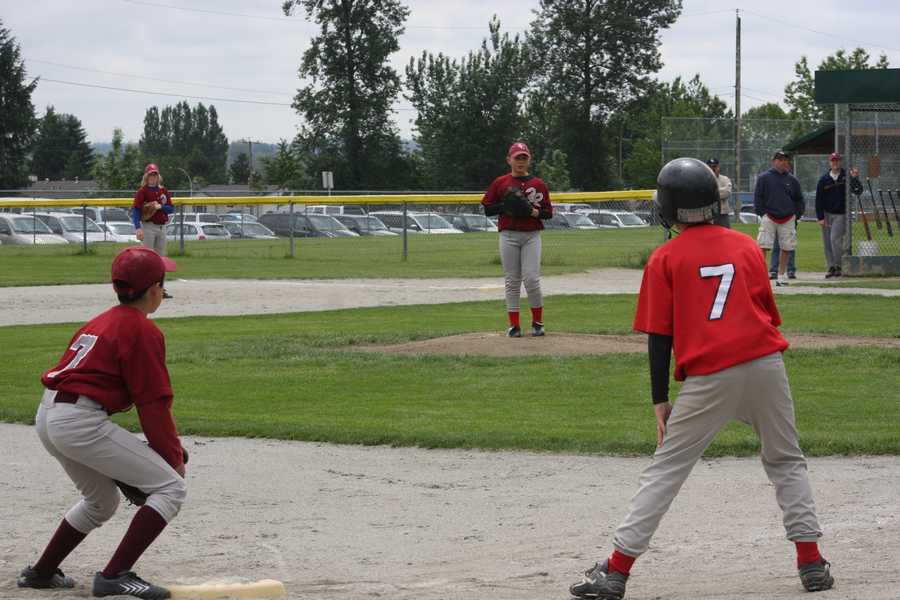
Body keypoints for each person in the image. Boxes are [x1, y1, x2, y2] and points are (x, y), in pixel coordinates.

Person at [568, 157, 833, 600]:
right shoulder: (745, 246)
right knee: (786, 461)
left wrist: (659, 398)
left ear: (670, 207)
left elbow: (659, 337)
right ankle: (811, 562)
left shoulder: (665, 257)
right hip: (765, 364)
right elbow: (767, 313)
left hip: (709, 376)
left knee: (667, 469)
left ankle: (615, 570)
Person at [18, 246, 186, 600]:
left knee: (100, 502)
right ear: (154, 289)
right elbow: (153, 404)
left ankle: (41, 573)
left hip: (49, 414)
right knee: (170, 488)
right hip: (78, 421)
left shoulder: (102, 320)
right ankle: (115, 575)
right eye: (162, 282)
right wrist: (171, 458)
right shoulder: (142, 330)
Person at [481, 142, 553, 337]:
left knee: (531, 279)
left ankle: (538, 323)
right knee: (512, 280)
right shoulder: (500, 182)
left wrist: (531, 211)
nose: (520, 161)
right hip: (508, 235)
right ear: (509, 160)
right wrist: (506, 206)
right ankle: (514, 326)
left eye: (524, 158)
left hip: (531, 235)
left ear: (529, 160)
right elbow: (488, 208)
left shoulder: (538, 184)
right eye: (517, 158)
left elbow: (548, 213)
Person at [754, 150, 804, 287]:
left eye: (785, 160)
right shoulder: (764, 178)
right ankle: (761, 275)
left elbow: (799, 199)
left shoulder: (792, 180)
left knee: (786, 247)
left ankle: (781, 276)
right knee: (763, 246)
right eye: (780, 159)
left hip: (788, 217)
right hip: (769, 216)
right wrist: (762, 213)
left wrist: (796, 215)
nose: (783, 162)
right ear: (774, 161)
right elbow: (758, 197)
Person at [132, 163, 175, 298]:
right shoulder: (142, 191)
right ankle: (144, 289)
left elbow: (171, 209)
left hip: (162, 227)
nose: (153, 177)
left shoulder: (163, 191)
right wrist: (138, 228)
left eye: (155, 175)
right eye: (150, 175)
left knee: (161, 260)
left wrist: (160, 207)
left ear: (158, 176)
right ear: (146, 176)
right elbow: (136, 210)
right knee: (147, 259)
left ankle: (160, 289)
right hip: (148, 227)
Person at [815, 153, 847, 278]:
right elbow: (818, 199)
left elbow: (858, 190)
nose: (835, 163)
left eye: (837, 160)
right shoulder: (824, 179)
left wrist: (854, 178)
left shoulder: (846, 176)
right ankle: (831, 267)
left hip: (840, 214)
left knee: (835, 240)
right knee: (827, 242)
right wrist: (820, 217)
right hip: (826, 214)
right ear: (829, 163)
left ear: (840, 162)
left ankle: (839, 265)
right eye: (833, 161)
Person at [706, 157, 733, 227]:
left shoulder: (725, 179)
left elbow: (727, 192)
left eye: (714, 166)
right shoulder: (703, 180)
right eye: (710, 167)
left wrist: (710, 192)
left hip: (722, 213)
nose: (712, 169)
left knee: (725, 233)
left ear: (718, 167)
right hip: (708, 215)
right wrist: (719, 191)